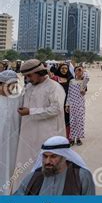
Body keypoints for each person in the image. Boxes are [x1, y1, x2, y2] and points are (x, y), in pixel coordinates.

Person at [14, 59, 66, 191]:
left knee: (46, 166)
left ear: (39, 72)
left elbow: (56, 109)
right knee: (27, 166)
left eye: (29, 76)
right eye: (26, 76)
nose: (27, 79)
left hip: (47, 135)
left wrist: (30, 111)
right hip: (28, 135)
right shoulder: (29, 87)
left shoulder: (54, 87)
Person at [14, 136, 95, 195]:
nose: (47, 161)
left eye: (53, 156)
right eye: (45, 156)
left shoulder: (81, 176)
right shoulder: (33, 177)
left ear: (64, 156)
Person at [0, 70, 22, 195]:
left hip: (14, 142)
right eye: (9, 85)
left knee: (11, 168)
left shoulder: (18, 98)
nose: (12, 88)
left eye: (14, 84)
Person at [66, 66, 89, 146]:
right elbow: (69, 93)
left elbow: (87, 77)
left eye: (80, 71)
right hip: (72, 104)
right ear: (74, 72)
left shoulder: (83, 81)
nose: (78, 72)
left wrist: (82, 70)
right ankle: (72, 138)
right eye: (76, 71)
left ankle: (78, 138)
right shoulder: (71, 81)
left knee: (80, 121)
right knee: (72, 121)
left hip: (80, 104)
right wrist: (67, 105)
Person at [54, 64, 74, 142]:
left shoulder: (71, 78)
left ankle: (68, 137)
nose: (64, 70)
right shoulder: (55, 78)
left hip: (67, 102)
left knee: (67, 119)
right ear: (59, 69)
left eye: (66, 68)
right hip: (57, 101)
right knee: (57, 119)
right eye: (62, 68)